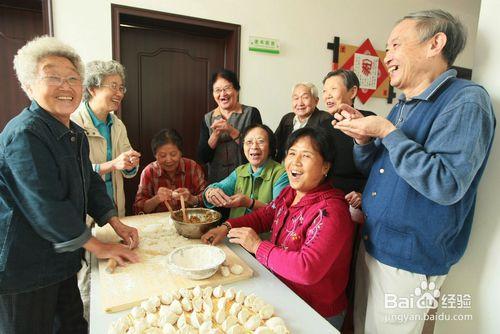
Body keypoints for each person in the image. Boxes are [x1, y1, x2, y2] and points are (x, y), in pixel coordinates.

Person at [332, 10, 496, 334]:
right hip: (374, 243)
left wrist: (387, 130)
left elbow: (446, 183)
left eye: (395, 45)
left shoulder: (466, 101)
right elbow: (376, 169)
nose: (387, 57)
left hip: (408, 260)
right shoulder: (403, 105)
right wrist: (366, 140)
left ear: (435, 44)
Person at [0, 36, 139, 334]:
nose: (66, 86)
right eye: (53, 77)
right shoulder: (25, 134)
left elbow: (88, 182)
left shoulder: (73, 132)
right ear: (28, 86)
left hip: (62, 258)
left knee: (73, 326)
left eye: (73, 78)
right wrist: (98, 247)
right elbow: (46, 206)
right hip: (24, 265)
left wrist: (114, 221)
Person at [202, 127, 354, 331]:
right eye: (291, 153)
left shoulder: (331, 211)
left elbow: (307, 269)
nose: (295, 161)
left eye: (306, 155)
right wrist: (227, 226)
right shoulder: (290, 193)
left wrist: (257, 246)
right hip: (281, 291)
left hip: (315, 311)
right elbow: (266, 216)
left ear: (325, 166)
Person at [71, 60, 140, 218]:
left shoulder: (117, 124)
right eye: (113, 86)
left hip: (115, 207)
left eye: (121, 88)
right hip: (87, 212)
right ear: (92, 89)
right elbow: (76, 173)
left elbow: (128, 172)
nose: (120, 93)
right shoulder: (74, 123)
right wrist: (113, 164)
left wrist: (130, 164)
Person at [203, 124, 288, 218]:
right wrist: (210, 192)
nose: (254, 146)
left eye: (260, 141)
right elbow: (220, 186)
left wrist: (249, 203)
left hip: (263, 233)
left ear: (270, 147)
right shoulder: (240, 171)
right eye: (249, 142)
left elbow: (279, 211)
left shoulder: (282, 174)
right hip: (234, 230)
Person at [197, 69, 262, 184]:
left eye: (227, 88)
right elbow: (203, 157)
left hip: (247, 179)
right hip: (217, 181)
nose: (222, 94)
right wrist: (215, 135)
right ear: (213, 94)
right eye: (217, 90)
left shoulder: (251, 113)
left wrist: (231, 131)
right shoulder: (207, 118)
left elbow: (259, 149)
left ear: (237, 90)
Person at [322, 69, 375, 208]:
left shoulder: (370, 120)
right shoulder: (321, 127)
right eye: (324, 91)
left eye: (333, 89)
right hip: (329, 200)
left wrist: (364, 195)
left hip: (363, 198)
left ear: (352, 92)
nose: (327, 96)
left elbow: (380, 168)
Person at [134, 128, 207, 214]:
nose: (168, 160)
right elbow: (138, 208)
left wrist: (191, 198)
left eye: (173, 154)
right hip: (158, 222)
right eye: (163, 155)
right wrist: (157, 199)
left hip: (189, 220)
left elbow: (207, 198)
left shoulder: (192, 167)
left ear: (180, 153)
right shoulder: (149, 172)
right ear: (155, 155)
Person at [275, 82, 331, 162]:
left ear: (316, 101)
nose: (300, 103)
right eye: (296, 98)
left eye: (305, 97)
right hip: (283, 169)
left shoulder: (325, 120)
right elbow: (274, 144)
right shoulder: (287, 118)